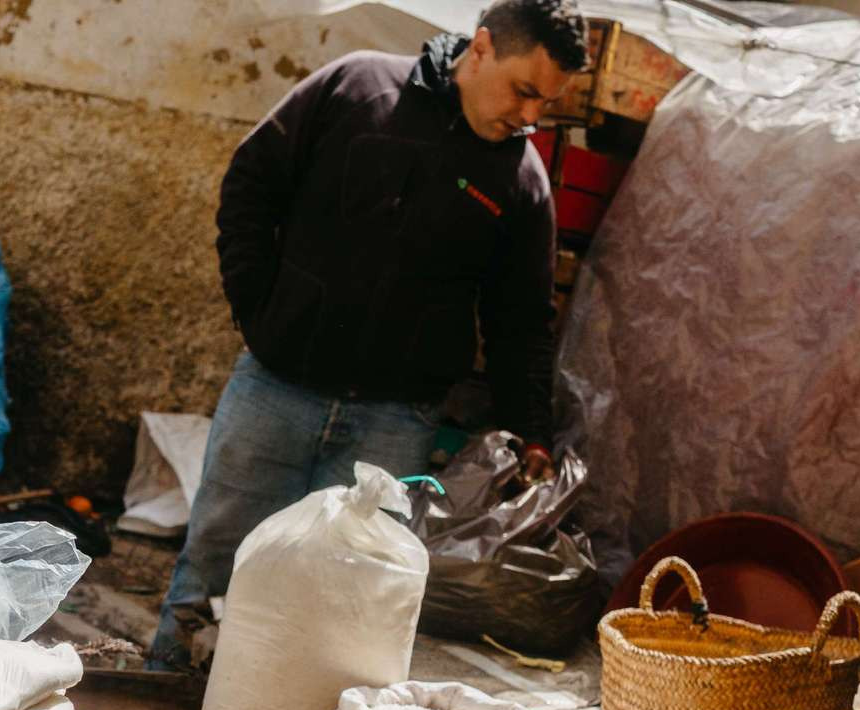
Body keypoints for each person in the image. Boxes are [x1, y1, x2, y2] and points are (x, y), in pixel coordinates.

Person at [149, 0, 584, 667]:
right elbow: (249, 185)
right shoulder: (357, 88)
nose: (530, 117)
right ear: (483, 47)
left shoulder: (521, 183)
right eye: (525, 91)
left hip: (392, 426)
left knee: (335, 604)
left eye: (545, 105)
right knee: (215, 571)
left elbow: (521, 323)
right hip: (275, 392)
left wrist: (532, 432)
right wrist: (262, 314)